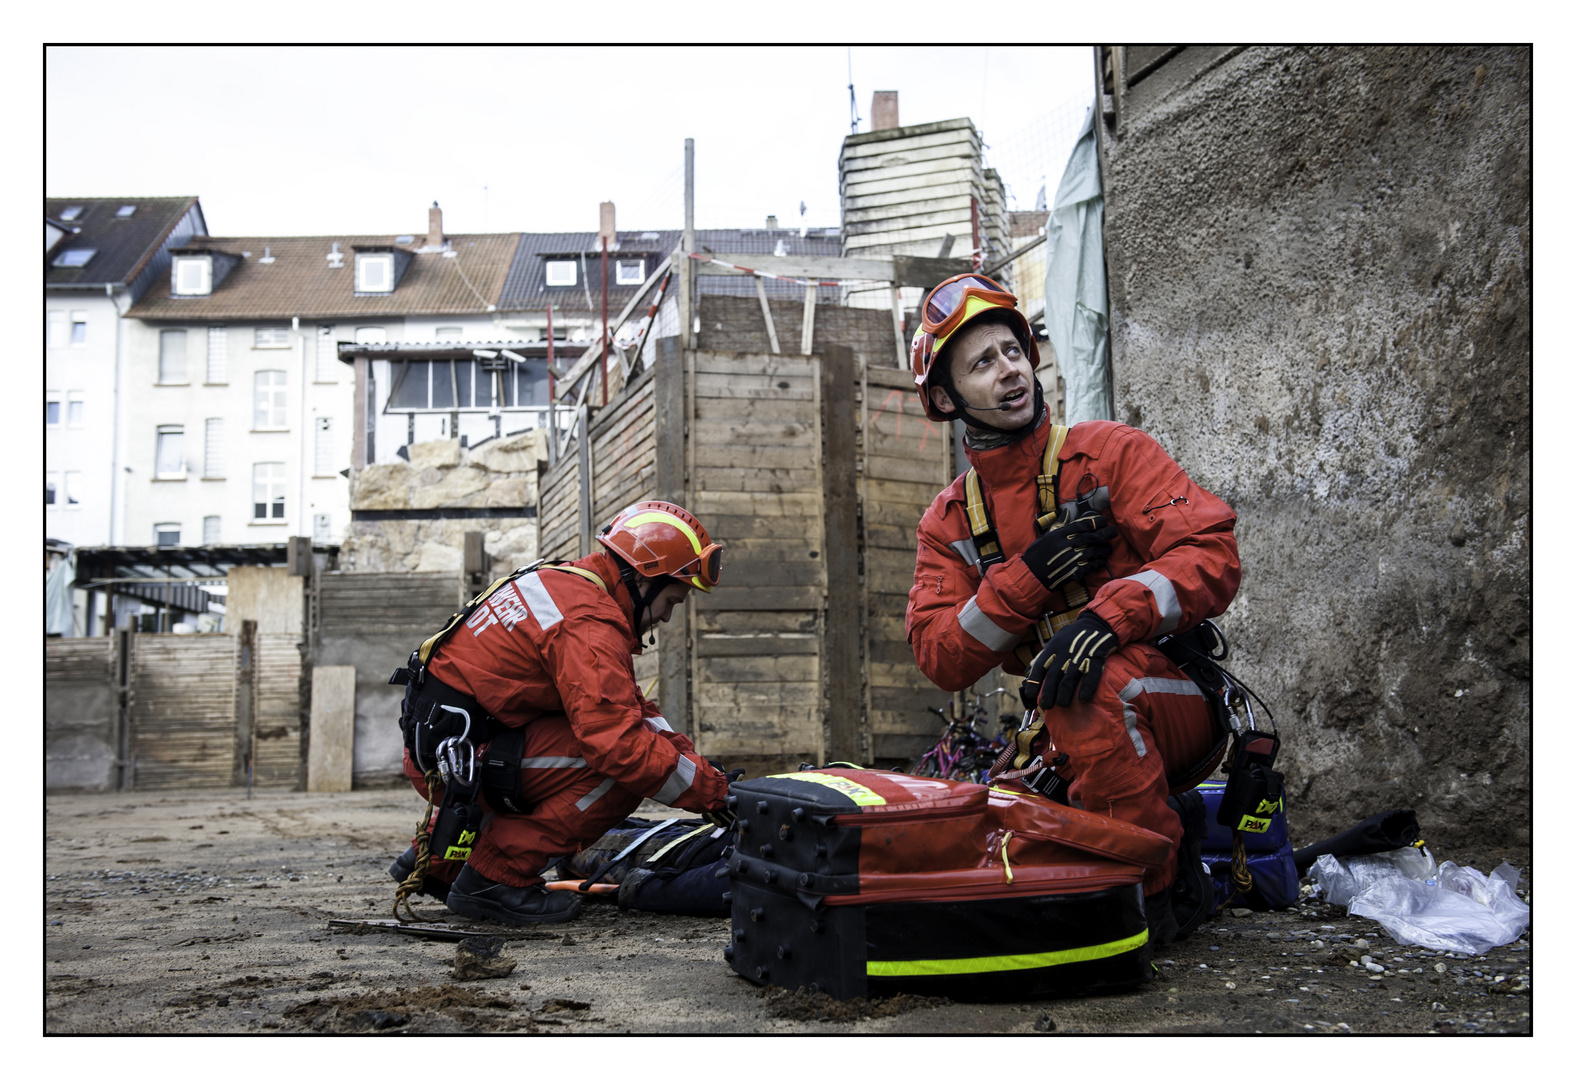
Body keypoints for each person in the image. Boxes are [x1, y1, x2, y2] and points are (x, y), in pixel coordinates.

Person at [904, 273, 1242, 944]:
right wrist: (1026, 578)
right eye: (982, 363)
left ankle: (1148, 899)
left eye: (1013, 351)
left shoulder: (1111, 454)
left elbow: (1212, 555)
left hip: (1170, 700)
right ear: (947, 398)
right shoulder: (949, 523)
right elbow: (941, 655)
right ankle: (1160, 831)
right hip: (1060, 731)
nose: (1010, 371)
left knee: (1094, 688)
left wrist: (1109, 617)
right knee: (998, 833)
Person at [390, 501, 733, 925]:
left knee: (628, 746)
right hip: (460, 759)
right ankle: (494, 880)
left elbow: (628, 708)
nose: (665, 616)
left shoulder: (567, 583)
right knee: (616, 770)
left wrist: (701, 771)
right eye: (671, 600)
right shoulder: (588, 622)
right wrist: (713, 794)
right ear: (645, 579)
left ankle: (439, 861)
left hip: (449, 751)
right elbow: (619, 745)